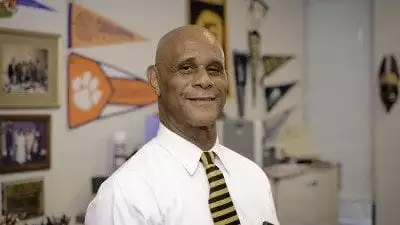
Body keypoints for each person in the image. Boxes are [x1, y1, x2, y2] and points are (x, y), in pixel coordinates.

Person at [84, 25, 279, 225]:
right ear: (156, 80)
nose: (204, 80)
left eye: (214, 69)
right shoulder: (124, 195)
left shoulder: (254, 177)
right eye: (186, 68)